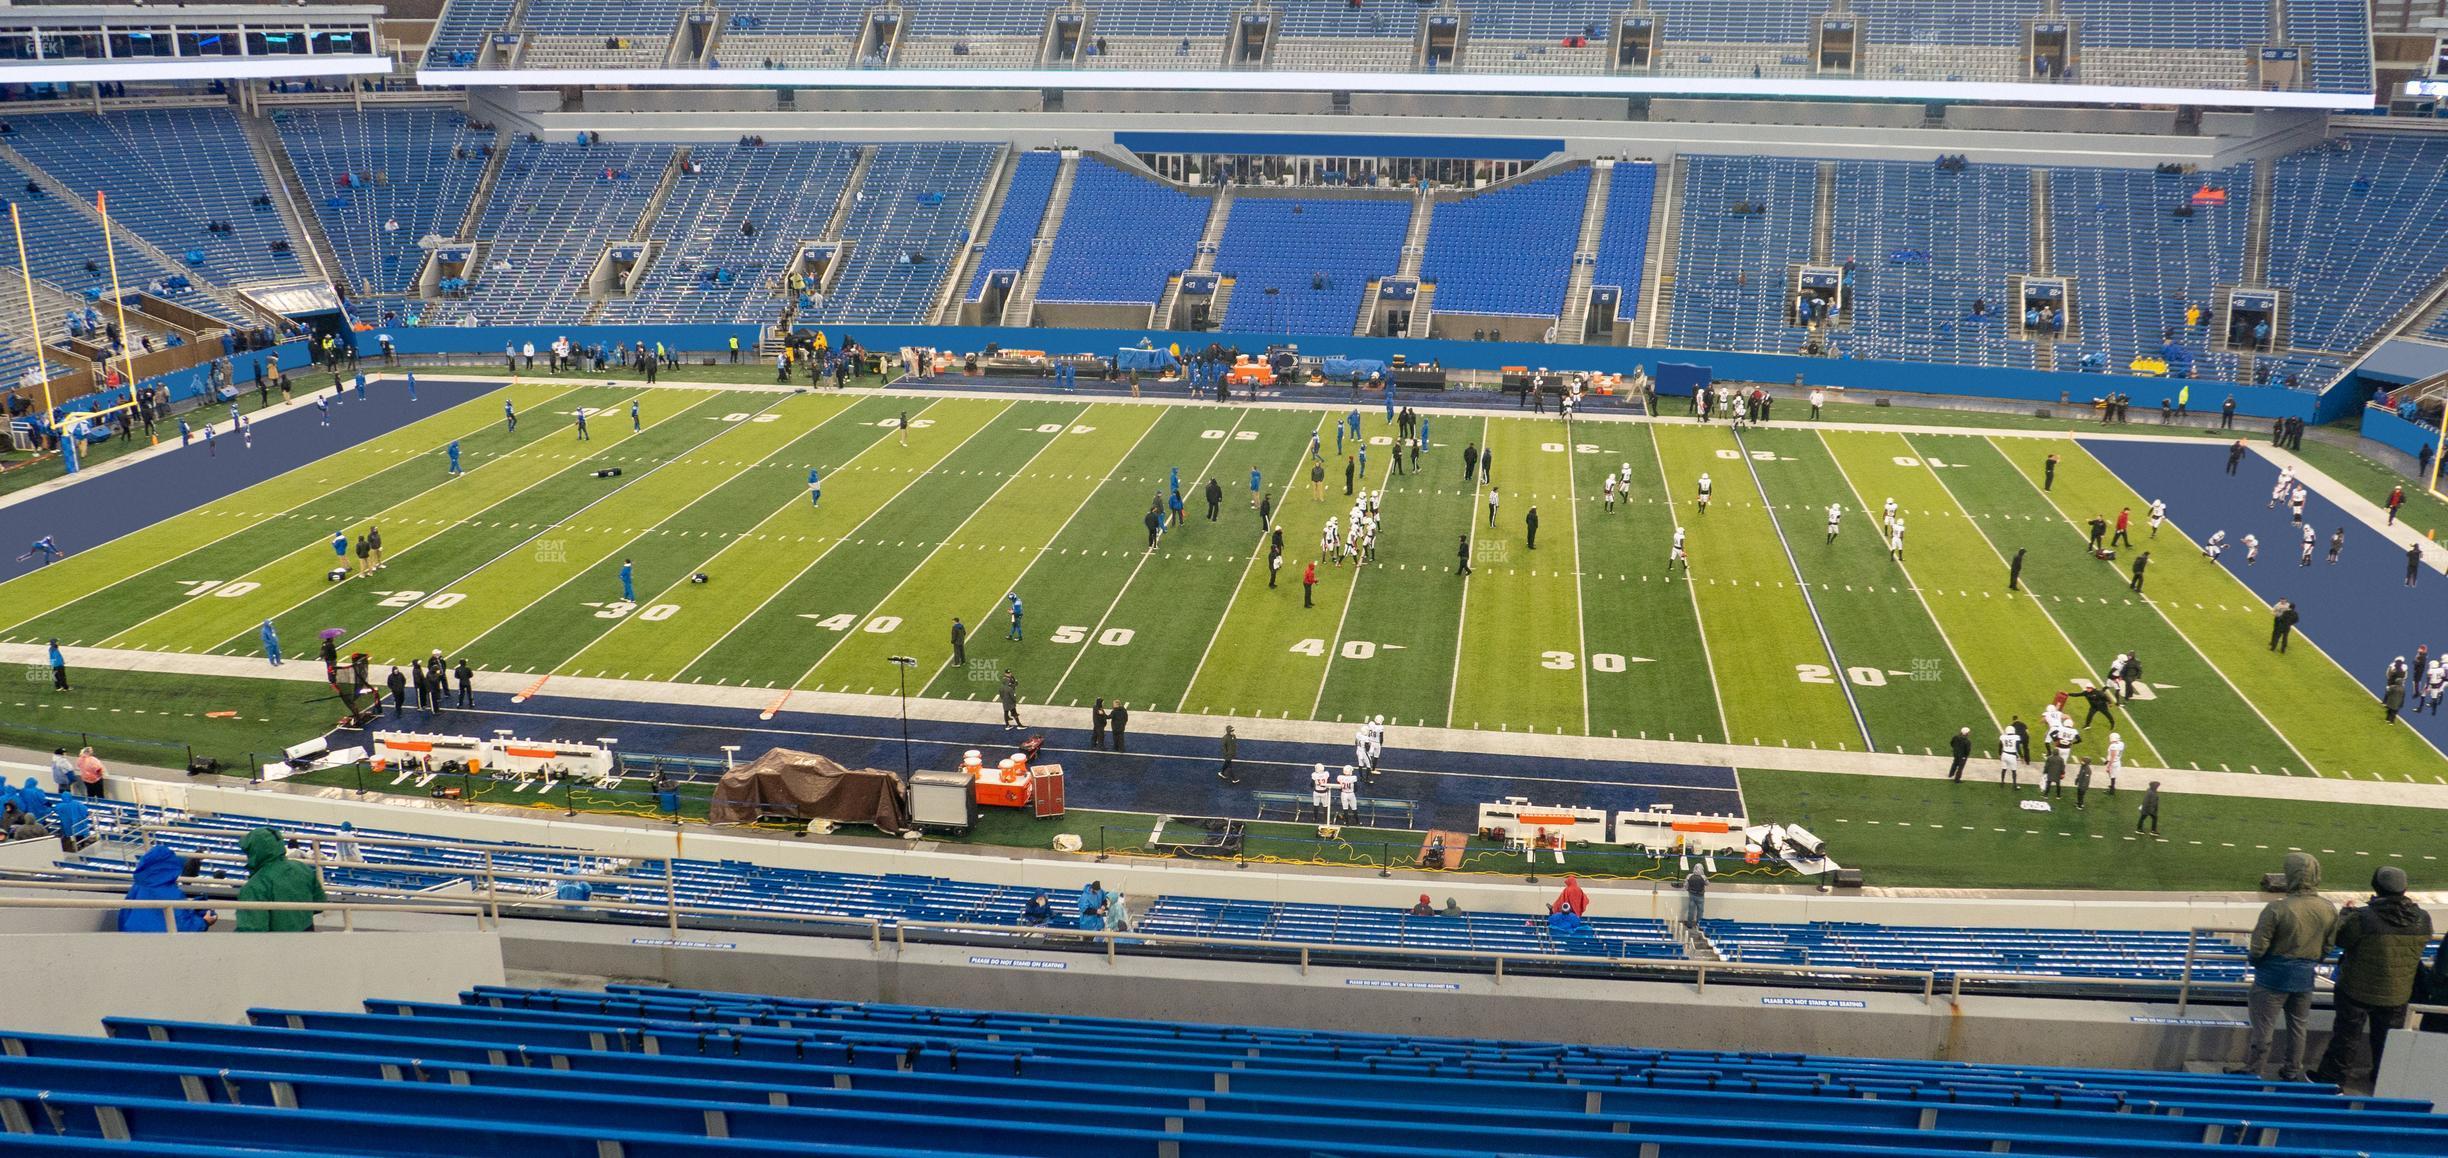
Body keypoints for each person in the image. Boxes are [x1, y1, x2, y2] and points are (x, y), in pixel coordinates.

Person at [2316, 867, 2435, 1087]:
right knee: (2387, 1042)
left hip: (2355, 990)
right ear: (2404, 888)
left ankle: (2331, 1080)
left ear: (2376, 887)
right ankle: (2384, 1081)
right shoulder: (2422, 918)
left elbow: (2341, 940)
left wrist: (2345, 915)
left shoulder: (2363, 917)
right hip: (2397, 993)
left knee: (2346, 1039)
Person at [2228, 853, 2335, 1081]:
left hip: (2272, 976)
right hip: (2304, 976)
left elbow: (2258, 948)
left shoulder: (2277, 908)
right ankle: (2292, 1069)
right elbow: (2328, 946)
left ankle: (2255, 1069)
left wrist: (2260, 963)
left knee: (2263, 1026)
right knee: (2298, 1026)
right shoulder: (2328, 908)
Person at [234, 827, 326, 932]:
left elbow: (251, 933)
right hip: (307, 937)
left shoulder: (254, 887)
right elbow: (319, 903)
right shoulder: (303, 868)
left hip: (277, 945)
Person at [117, 846, 212, 933]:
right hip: (161, 946)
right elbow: (184, 927)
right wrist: (204, 922)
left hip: (131, 941)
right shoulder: (173, 893)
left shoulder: (136, 888)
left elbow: (124, 920)